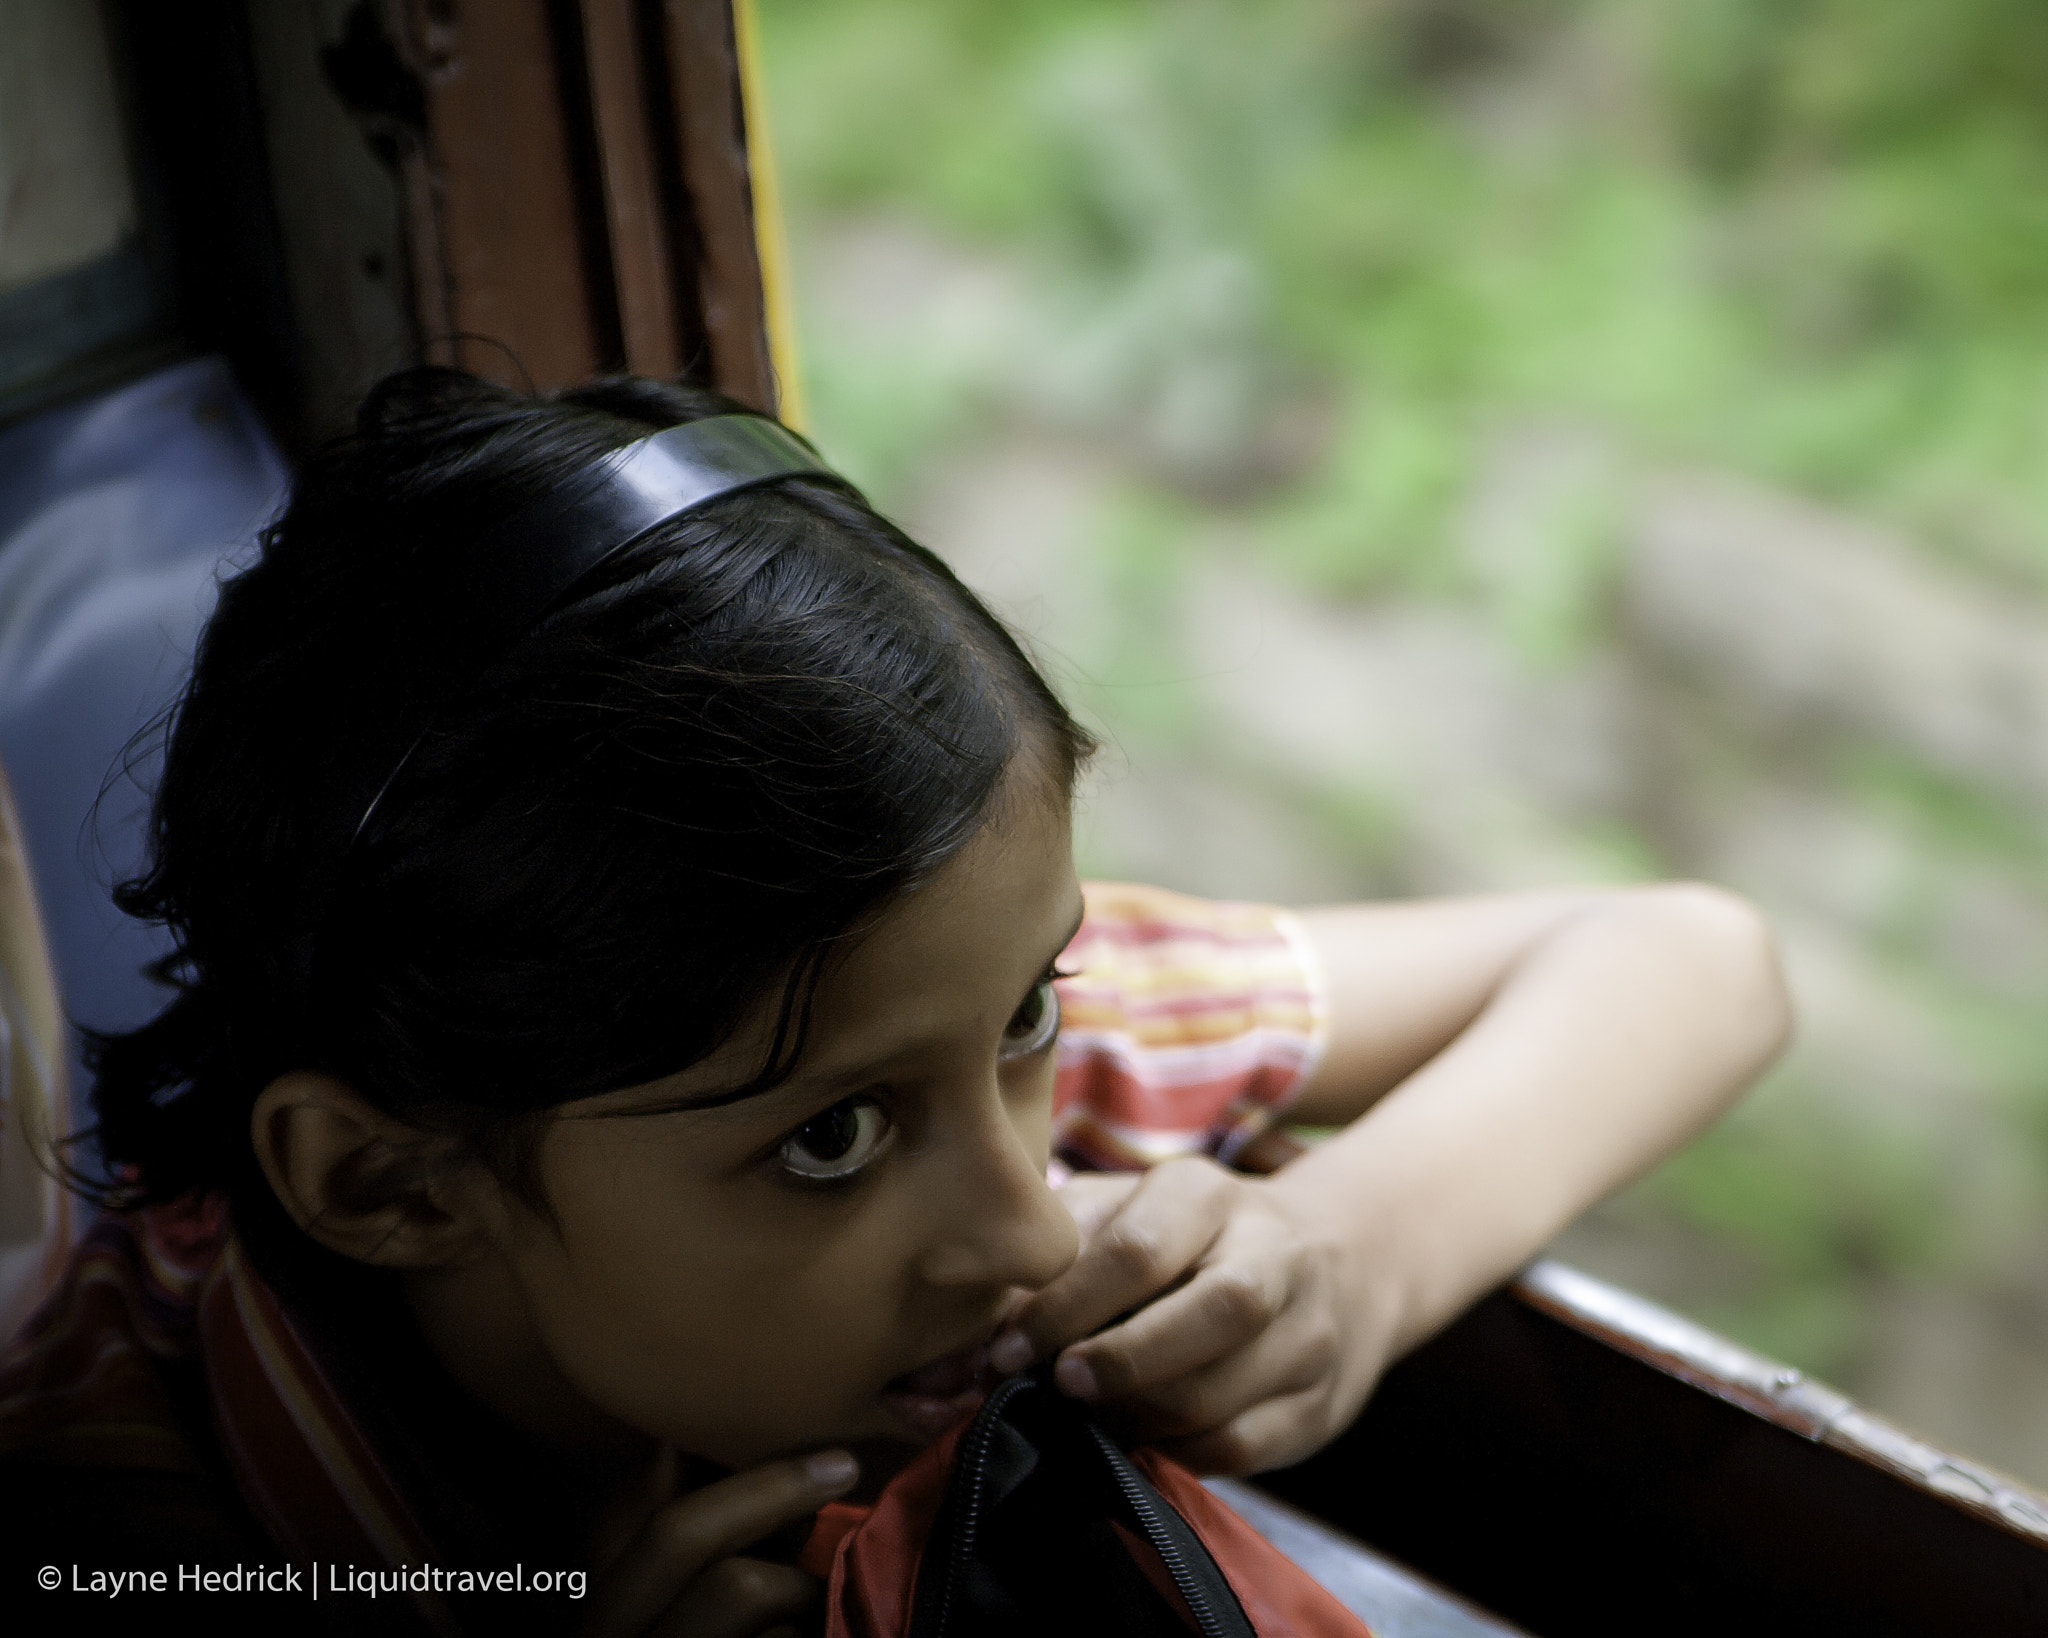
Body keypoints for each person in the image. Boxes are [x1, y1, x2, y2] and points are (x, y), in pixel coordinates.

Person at [0, 369, 1791, 1635]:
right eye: (831, 1142)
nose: (1025, 1222)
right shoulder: (112, 1520)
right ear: (398, 1185)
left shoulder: (911, 1004)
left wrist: (1341, 1255)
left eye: (1031, 1016)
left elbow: (1693, 960)